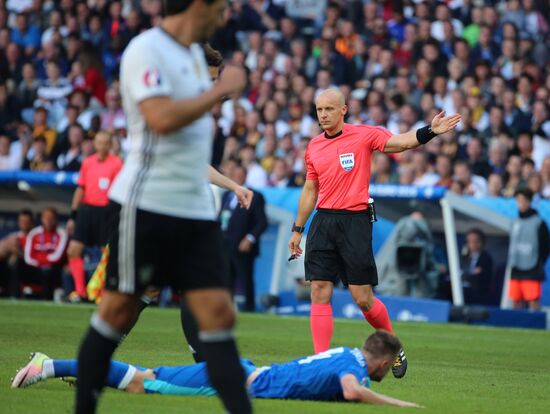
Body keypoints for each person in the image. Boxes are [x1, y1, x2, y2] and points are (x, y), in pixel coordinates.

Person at [73, 1, 252, 413]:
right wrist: (218, 91)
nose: (223, 16)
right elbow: (161, 118)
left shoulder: (192, 55)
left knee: (219, 317)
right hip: (145, 205)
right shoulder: (145, 50)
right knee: (118, 310)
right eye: (219, 8)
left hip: (193, 209)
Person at [288, 88, 461, 379]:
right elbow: (309, 190)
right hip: (324, 221)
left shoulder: (363, 135)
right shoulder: (313, 147)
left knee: (363, 299)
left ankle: (393, 346)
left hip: (355, 222)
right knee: (319, 290)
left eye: (329, 109)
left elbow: (399, 143)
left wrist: (430, 130)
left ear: (344, 110)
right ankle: (320, 363)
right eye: (319, 110)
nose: (323, 115)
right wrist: (297, 229)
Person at [13, 330, 420, 408]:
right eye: (389, 367)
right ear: (381, 362)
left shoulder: (347, 352)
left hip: (244, 373)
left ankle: (67, 369)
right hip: (237, 380)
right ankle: (48, 366)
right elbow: (352, 390)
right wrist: (398, 404)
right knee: (142, 383)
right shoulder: (356, 370)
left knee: (145, 380)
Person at [66, 131, 122, 302]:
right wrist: (73, 215)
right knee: (74, 250)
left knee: (108, 255)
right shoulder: (87, 163)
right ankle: (80, 292)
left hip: (107, 212)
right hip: (87, 210)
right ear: (95, 144)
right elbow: (80, 188)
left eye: (106, 142)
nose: (102, 146)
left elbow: (120, 192)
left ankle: (102, 292)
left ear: (110, 144)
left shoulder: (117, 164)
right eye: (99, 142)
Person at [220, 164, 268, 311]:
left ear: (245, 175)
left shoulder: (255, 195)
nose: (237, 177)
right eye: (235, 174)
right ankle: (226, 308)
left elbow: (262, 222)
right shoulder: (226, 196)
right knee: (226, 277)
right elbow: (220, 218)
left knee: (245, 278)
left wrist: (250, 238)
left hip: (243, 246)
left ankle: (249, 308)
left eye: (240, 174)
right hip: (226, 244)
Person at [507, 188, 549, 311]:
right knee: (516, 299)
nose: (521, 203)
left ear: (529, 202)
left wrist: (538, 262)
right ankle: (515, 327)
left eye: (523, 200)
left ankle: (535, 326)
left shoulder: (539, 223)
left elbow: (545, 247)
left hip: (532, 268)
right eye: (518, 200)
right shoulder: (515, 222)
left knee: (533, 299)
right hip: (516, 266)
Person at [23, 207, 68, 300]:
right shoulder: (34, 233)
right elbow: (28, 257)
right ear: (41, 219)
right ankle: (14, 295)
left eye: (51, 218)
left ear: (55, 219)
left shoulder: (62, 233)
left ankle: (47, 299)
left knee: (48, 271)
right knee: (17, 264)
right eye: (46, 218)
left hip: (55, 268)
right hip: (35, 267)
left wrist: (40, 259)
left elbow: (57, 257)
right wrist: (42, 262)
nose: (48, 221)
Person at [461, 229, 493, 305]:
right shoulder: (464, 257)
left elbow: (480, 277)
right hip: (461, 288)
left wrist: (468, 275)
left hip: (476, 293)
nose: (473, 244)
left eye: (475, 241)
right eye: (470, 241)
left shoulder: (485, 259)